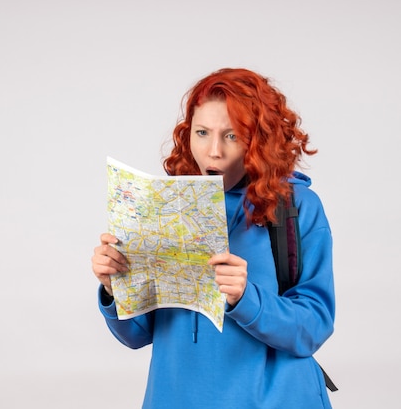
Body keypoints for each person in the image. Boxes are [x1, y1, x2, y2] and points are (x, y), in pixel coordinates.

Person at [91, 68, 335, 408]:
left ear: (258, 140)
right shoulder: (164, 207)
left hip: (276, 399)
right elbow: (137, 335)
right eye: (202, 132)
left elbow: (314, 326)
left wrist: (245, 298)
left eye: (232, 136)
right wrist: (114, 286)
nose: (214, 151)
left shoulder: (296, 207)